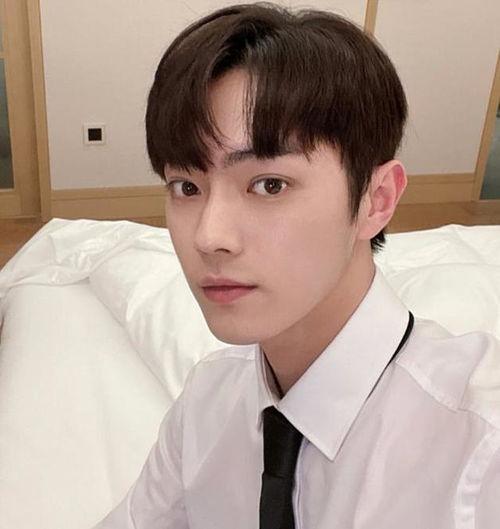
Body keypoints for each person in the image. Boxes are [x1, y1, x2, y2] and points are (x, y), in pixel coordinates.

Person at [93, 2, 500, 528]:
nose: (209, 237)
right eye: (186, 187)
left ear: (376, 200)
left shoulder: (478, 452)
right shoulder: (208, 404)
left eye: (269, 185)